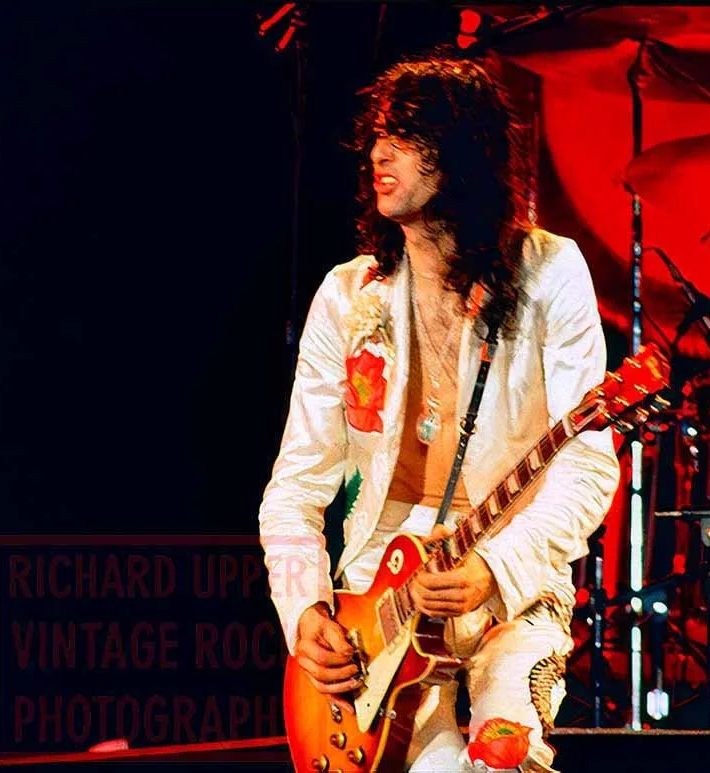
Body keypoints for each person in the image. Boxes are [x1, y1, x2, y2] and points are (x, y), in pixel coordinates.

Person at [258, 49, 620, 772]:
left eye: (407, 135)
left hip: (507, 588)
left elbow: (587, 466)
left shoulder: (551, 272)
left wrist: (495, 567)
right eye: (377, 134)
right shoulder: (348, 295)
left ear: (463, 153)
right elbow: (296, 487)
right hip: (375, 602)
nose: (378, 152)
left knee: (502, 758)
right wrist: (306, 611)